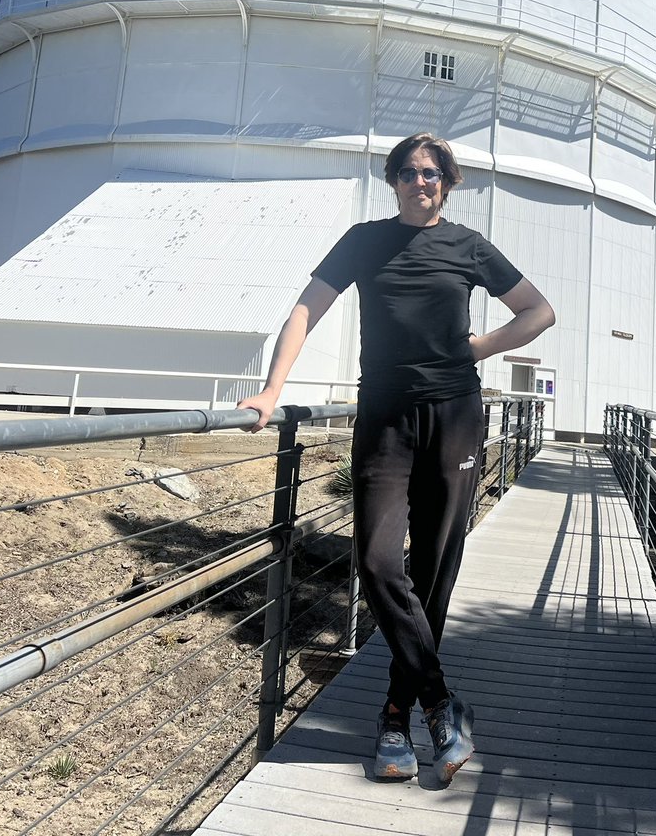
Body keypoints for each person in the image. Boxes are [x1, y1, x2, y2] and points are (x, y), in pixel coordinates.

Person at [238, 133, 555, 784]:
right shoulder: (363, 240)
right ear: (392, 179)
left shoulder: (467, 245)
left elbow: (537, 312)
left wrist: (479, 347)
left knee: (435, 574)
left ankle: (392, 716)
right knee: (379, 562)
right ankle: (440, 702)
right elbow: (306, 310)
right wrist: (274, 389)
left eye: (433, 173)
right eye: (409, 172)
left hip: (455, 418)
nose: (421, 181)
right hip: (383, 418)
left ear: (448, 181)